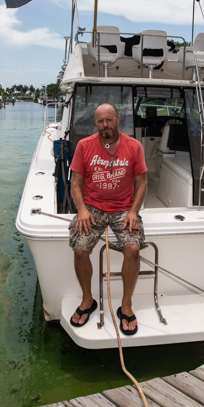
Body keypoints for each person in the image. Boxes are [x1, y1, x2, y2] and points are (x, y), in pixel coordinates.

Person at [68, 103, 147, 335]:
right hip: (92, 207)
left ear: (118, 119)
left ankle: (126, 305)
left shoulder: (134, 146)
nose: (106, 125)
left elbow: (142, 183)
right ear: (96, 123)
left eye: (109, 120)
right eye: (101, 121)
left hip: (124, 208)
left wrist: (133, 212)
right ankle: (87, 300)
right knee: (80, 250)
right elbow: (76, 183)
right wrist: (82, 210)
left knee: (132, 249)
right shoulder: (84, 146)